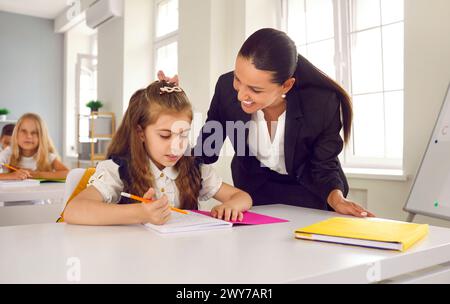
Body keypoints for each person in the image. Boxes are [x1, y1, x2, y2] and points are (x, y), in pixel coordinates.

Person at [159, 28, 374, 218]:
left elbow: (322, 167)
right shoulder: (226, 89)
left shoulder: (321, 103)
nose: (241, 94)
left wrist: (337, 199)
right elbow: (207, 149)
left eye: (255, 90)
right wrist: (170, 102)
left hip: (309, 191)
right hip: (254, 190)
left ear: (286, 86)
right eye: (238, 79)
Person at [62, 81, 252, 226]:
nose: (176, 146)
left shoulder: (195, 168)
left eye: (183, 134)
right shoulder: (119, 170)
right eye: (164, 135)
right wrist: (141, 213)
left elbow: (243, 197)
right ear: (141, 133)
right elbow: (73, 211)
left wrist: (231, 206)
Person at [0, 113, 69, 180]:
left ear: (41, 137)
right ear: (16, 134)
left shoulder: (47, 156)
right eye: (24, 131)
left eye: (34, 132)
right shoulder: (8, 153)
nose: (29, 136)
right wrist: (11, 175)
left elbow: (67, 173)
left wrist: (36, 174)